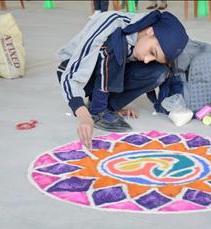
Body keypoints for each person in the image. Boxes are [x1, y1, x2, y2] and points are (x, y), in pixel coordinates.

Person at [57, 10, 189, 149]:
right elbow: (71, 75)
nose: (146, 59)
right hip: (75, 71)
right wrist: (83, 116)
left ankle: (107, 105)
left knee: (159, 71)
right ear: (150, 31)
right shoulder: (112, 22)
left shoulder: (145, 41)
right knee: (117, 42)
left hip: (105, 73)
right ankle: (97, 110)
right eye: (152, 52)